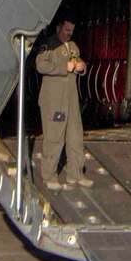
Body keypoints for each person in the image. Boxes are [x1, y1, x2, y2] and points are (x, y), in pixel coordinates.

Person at [34, 18, 90, 189]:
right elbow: (41, 65)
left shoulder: (72, 46)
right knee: (54, 137)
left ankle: (76, 174)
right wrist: (64, 67)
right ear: (59, 28)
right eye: (66, 30)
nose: (69, 34)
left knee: (75, 137)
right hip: (54, 100)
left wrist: (81, 66)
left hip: (71, 99)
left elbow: (77, 62)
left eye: (71, 30)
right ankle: (49, 176)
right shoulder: (49, 45)